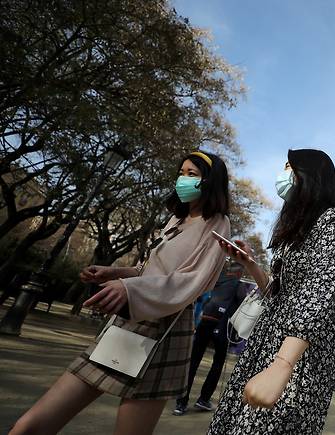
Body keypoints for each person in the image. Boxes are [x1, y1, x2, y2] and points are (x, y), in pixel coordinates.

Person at [10, 151, 231, 435]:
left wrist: (128, 288)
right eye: (181, 172)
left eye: (192, 175)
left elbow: (192, 282)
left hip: (166, 329)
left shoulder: (217, 223)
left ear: (210, 181)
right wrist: (115, 273)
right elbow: (149, 270)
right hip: (126, 322)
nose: (182, 180)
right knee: (29, 425)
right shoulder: (176, 219)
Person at [207, 149, 335, 434]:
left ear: (310, 175)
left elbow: (319, 289)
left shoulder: (333, 220)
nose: (283, 175)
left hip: (300, 346)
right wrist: (250, 264)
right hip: (271, 336)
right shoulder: (299, 226)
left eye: (290, 168)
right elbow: (276, 293)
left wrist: (283, 363)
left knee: (265, 424)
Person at [173, 261, 246, 415]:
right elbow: (243, 308)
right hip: (223, 326)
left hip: (205, 322)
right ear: (239, 273)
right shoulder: (239, 286)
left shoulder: (216, 281)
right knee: (217, 364)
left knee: (193, 362)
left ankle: (181, 403)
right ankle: (203, 399)